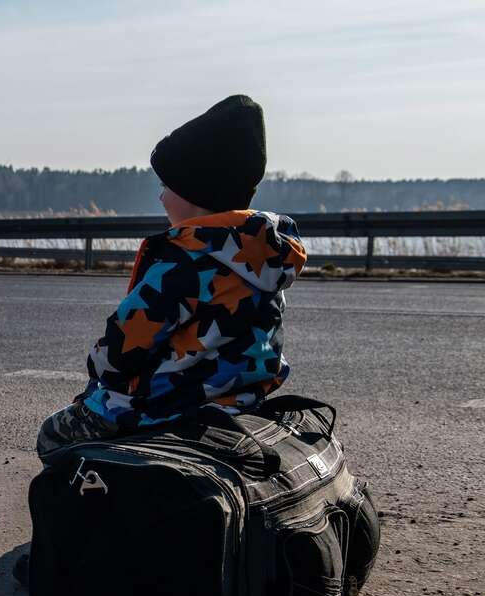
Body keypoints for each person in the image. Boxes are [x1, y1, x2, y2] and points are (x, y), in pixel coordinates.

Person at [35, 95, 308, 468]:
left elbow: (122, 351)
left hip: (168, 406)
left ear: (194, 194)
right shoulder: (264, 256)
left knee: (55, 435)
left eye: (166, 185)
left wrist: (97, 368)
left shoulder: (183, 261)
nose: (161, 196)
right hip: (241, 400)